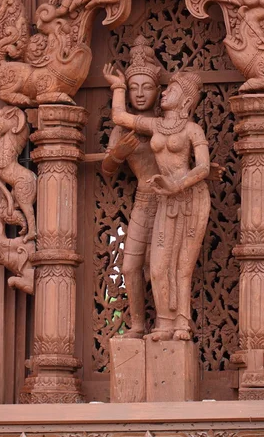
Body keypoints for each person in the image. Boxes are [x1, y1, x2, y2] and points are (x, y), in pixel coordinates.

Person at [103, 63, 211, 341]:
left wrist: (178, 184)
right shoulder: (155, 126)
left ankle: (182, 324)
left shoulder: (192, 129)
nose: (163, 93)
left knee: (182, 265)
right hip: (159, 197)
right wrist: (117, 86)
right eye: (134, 87)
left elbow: (203, 167)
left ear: (186, 100)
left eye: (168, 89)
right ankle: (160, 324)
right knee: (156, 265)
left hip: (188, 197)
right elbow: (119, 117)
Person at [103, 36, 161, 339]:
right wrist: (118, 154)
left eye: (147, 87)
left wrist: (119, 87)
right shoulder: (122, 129)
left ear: (158, 89)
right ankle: (138, 324)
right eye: (134, 87)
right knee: (130, 267)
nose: (140, 94)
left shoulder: (168, 122)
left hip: (169, 199)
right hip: (143, 197)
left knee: (160, 266)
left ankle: (168, 323)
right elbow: (108, 170)